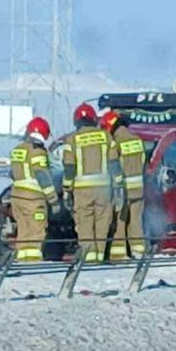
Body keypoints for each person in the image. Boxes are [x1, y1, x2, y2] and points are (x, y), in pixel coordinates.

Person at [62, 103, 117, 262]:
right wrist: (118, 185)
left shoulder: (71, 139)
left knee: (84, 223)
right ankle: (99, 256)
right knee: (102, 222)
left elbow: (69, 168)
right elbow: (114, 163)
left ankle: (88, 258)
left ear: (76, 121)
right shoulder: (106, 136)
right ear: (94, 119)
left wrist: (67, 189)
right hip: (104, 189)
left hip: (82, 190)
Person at [9, 117, 59, 261]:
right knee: (36, 229)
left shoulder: (17, 149)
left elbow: (12, 173)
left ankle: (22, 257)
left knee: (23, 229)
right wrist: (53, 199)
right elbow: (42, 174)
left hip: (17, 197)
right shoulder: (37, 151)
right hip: (33, 198)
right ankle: (33, 260)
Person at [102, 109, 147, 259]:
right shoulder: (138, 140)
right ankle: (138, 252)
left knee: (119, 223)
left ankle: (118, 254)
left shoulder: (116, 143)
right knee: (136, 222)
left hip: (122, 189)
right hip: (139, 189)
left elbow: (114, 167)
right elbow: (143, 164)